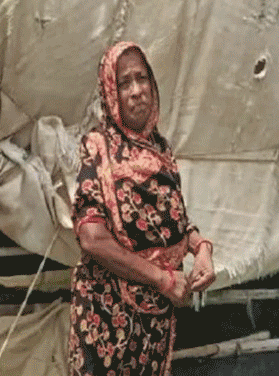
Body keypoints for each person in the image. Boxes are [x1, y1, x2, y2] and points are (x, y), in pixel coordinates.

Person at [69, 41, 215, 376]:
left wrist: (201, 248)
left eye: (142, 78)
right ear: (110, 93)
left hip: (157, 322)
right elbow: (92, 237)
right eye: (124, 83)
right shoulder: (98, 147)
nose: (137, 91)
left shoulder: (162, 149)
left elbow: (177, 219)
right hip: (107, 318)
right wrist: (163, 279)